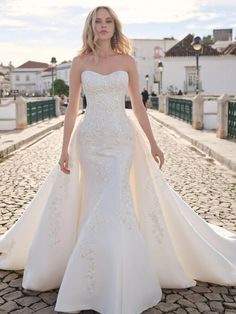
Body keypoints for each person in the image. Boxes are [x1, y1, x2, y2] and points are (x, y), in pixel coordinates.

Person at [0, 5, 236, 314]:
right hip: (90, 141)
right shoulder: (79, 62)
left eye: (108, 21)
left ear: (115, 25)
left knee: (115, 200)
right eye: (97, 21)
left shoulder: (127, 60)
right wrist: (64, 149)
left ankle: (115, 275)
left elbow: (138, 106)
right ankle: (97, 274)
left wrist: (152, 143)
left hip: (122, 141)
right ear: (90, 26)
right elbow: (71, 108)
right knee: (97, 200)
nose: (103, 26)